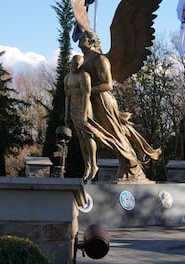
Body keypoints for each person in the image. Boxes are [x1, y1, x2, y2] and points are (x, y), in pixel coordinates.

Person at [78, 30, 161, 182]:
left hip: (103, 100)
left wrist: (89, 90)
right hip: (94, 101)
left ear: (91, 42)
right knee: (114, 132)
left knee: (114, 133)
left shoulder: (100, 59)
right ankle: (126, 168)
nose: (80, 39)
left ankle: (132, 168)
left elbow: (108, 85)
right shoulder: (85, 60)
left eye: (83, 37)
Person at [64, 54, 99, 181]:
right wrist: (67, 114)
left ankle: (94, 164)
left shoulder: (84, 76)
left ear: (81, 65)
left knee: (88, 135)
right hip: (73, 108)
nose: (74, 67)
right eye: (73, 64)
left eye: (77, 65)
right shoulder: (67, 77)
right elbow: (67, 97)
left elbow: (86, 95)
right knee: (80, 137)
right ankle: (87, 166)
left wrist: (84, 114)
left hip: (84, 108)